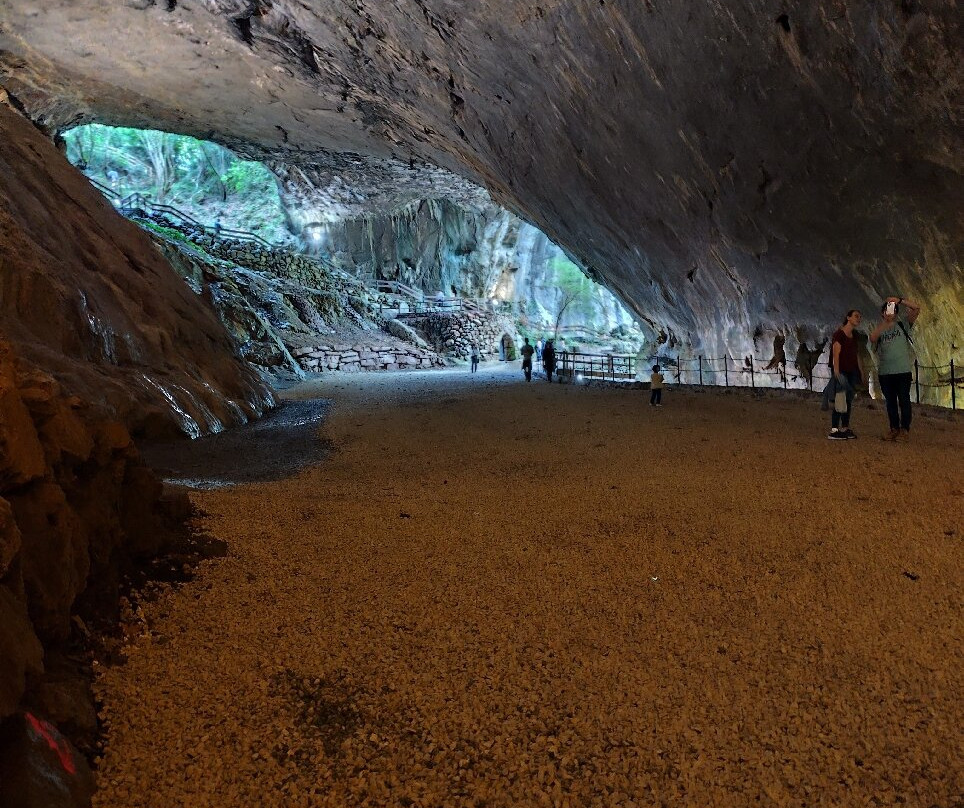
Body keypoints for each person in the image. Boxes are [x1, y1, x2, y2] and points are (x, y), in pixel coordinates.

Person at [870, 296, 921, 441]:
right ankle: (894, 428)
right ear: (882, 313)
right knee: (890, 402)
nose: (889, 312)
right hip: (885, 372)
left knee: (904, 400)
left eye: (892, 310)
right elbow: (872, 338)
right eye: (886, 310)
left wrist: (899, 300)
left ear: (896, 313)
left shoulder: (903, 325)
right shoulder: (880, 329)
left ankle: (904, 430)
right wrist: (885, 324)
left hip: (902, 371)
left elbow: (916, 308)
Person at [827, 309, 863, 440]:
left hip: (851, 371)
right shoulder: (839, 334)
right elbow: (836, 352)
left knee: (848, 400)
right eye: (856, 316)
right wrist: (837, 372)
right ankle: (834, 429)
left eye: (860, 317)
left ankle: (845, 427)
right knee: (840, 400)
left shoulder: (854, 336)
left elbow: (856, 354)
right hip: (842, 371)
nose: (858, 318)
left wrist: (860, 371)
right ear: (848, 318)